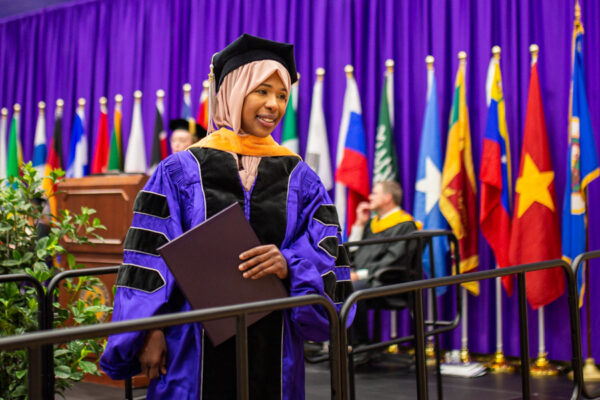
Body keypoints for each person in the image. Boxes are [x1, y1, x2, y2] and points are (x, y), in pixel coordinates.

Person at [100, 33, 353, 400]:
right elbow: (148, 255)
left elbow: (327, 248)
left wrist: (290, 263)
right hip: (191, 341)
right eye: (262, 91)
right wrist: (152, 329)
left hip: (274, 338)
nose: (274, 105)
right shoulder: (179, 170)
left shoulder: (301, 176)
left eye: (282, 95)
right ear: (235, 90)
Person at [348, 180, 421, 345]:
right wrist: (359, 224)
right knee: (335, 285)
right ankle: (343, 345)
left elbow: (394, 260)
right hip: (368, 280)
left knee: (351, 289)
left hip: (390, 281)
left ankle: (360, 346)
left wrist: (358, 275)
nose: (370, 197)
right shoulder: (372, 224)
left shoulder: (405, 226)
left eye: (375, 193)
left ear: (388, 197)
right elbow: (353, 254)